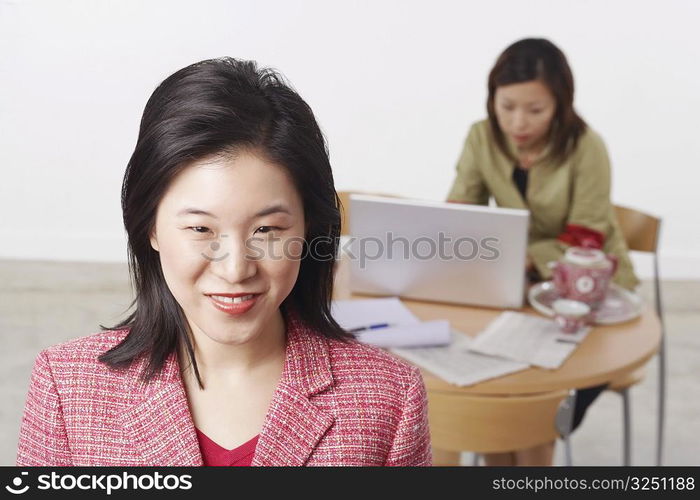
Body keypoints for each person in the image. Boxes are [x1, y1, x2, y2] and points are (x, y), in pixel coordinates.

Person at [16, 57, 431, 467]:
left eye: (267, 230)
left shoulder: (391, 397)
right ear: (151, 228)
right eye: (201, 230)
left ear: (309, 231)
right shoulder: (66, 387)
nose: (235, 270)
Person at [446, 38, 639, 466]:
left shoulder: (587, 146)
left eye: (535, 110)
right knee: (497, 404)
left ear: (561, 105)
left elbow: (584, 240)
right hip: (519, 287)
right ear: (492, 98)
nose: (518, 122)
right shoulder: (481, 137)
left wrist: (514, 252)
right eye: (507, 105)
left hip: (593, 292)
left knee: (534, 415)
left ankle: (558, 414)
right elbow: (462, 215)